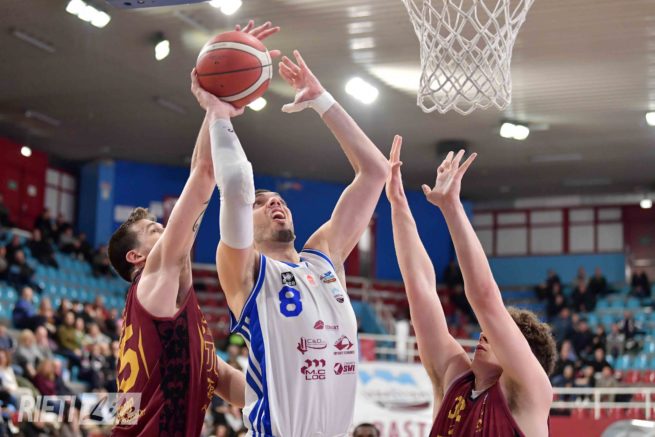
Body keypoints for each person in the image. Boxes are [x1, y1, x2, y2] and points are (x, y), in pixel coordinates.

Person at [105, 22, 280, 436]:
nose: (167, 229)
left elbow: (234, 387)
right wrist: (214, 106)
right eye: (154, 230)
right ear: (137, 257)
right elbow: (203, 173)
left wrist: (292, 383)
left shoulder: (174, 328)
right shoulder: (154, 280)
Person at [204, 43, 390, 435]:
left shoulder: (324, 258)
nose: (275, 203)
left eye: (280, 200)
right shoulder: (246, 271)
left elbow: (376, 171)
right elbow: (235, 185)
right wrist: (218, 114)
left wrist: (321, 100)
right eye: (260, 204)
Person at [385, 145, 556, 436]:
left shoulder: (530, 393)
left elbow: (485, 299)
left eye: (498, 335)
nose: (484, 334)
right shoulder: (454, 379)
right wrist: (397, 202)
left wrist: (451, 207)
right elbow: (420, 289)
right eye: (487, 331)